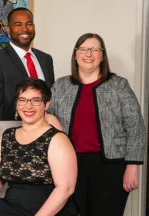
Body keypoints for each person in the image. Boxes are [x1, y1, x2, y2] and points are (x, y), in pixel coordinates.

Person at [46, 33, 146, 215]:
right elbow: (45, 117)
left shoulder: (119, 85)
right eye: (83, 49)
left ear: (102, 55)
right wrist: (49, 117)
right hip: (70, 165)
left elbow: (136, 126)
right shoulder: (61, 86)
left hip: (111, 167)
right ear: (75, 54)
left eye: (94, 49)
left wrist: (133, 166)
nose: (88, 54)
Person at [0, 78, 77, 216]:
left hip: (48, 210)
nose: (28, 106)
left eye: (35, 100)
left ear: (46, 104)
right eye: (23, 100)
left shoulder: (58, 139)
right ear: (16, 104)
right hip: (11, 207)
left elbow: (65, 188)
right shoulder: (7, 136)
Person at [0, 7, 55, 120]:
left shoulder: (46, 59)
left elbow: (50, 98)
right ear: (8, 30)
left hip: (45, 129)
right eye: (18, 24)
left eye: (29, 23)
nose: (25, 28)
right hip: (14, 132)